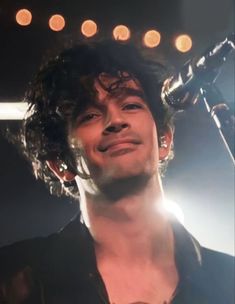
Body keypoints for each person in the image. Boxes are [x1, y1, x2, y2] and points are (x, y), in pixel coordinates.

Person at [0, 40, 234, 304]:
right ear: (60, 164)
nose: (116, 121)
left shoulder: (228, 280)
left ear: (164, 140)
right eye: (89, 115)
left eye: (131, 105)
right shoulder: (13, 279)